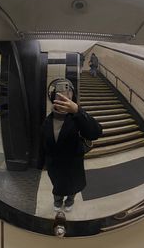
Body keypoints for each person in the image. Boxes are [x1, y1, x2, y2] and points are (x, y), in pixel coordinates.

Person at [39, 79, 102, 212]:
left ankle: (70, 201)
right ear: (53, 96)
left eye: (68, 92)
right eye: (59, 93)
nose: (63, 95)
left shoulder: (77, 118)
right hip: (55, 165)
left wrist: (78, 111)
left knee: (73, 186)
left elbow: (95, 132)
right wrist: (42, 163)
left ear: (73, 95)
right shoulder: (47, 121)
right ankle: (57, 201)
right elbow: (43, 144)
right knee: (57, 187)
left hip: (73, 163)